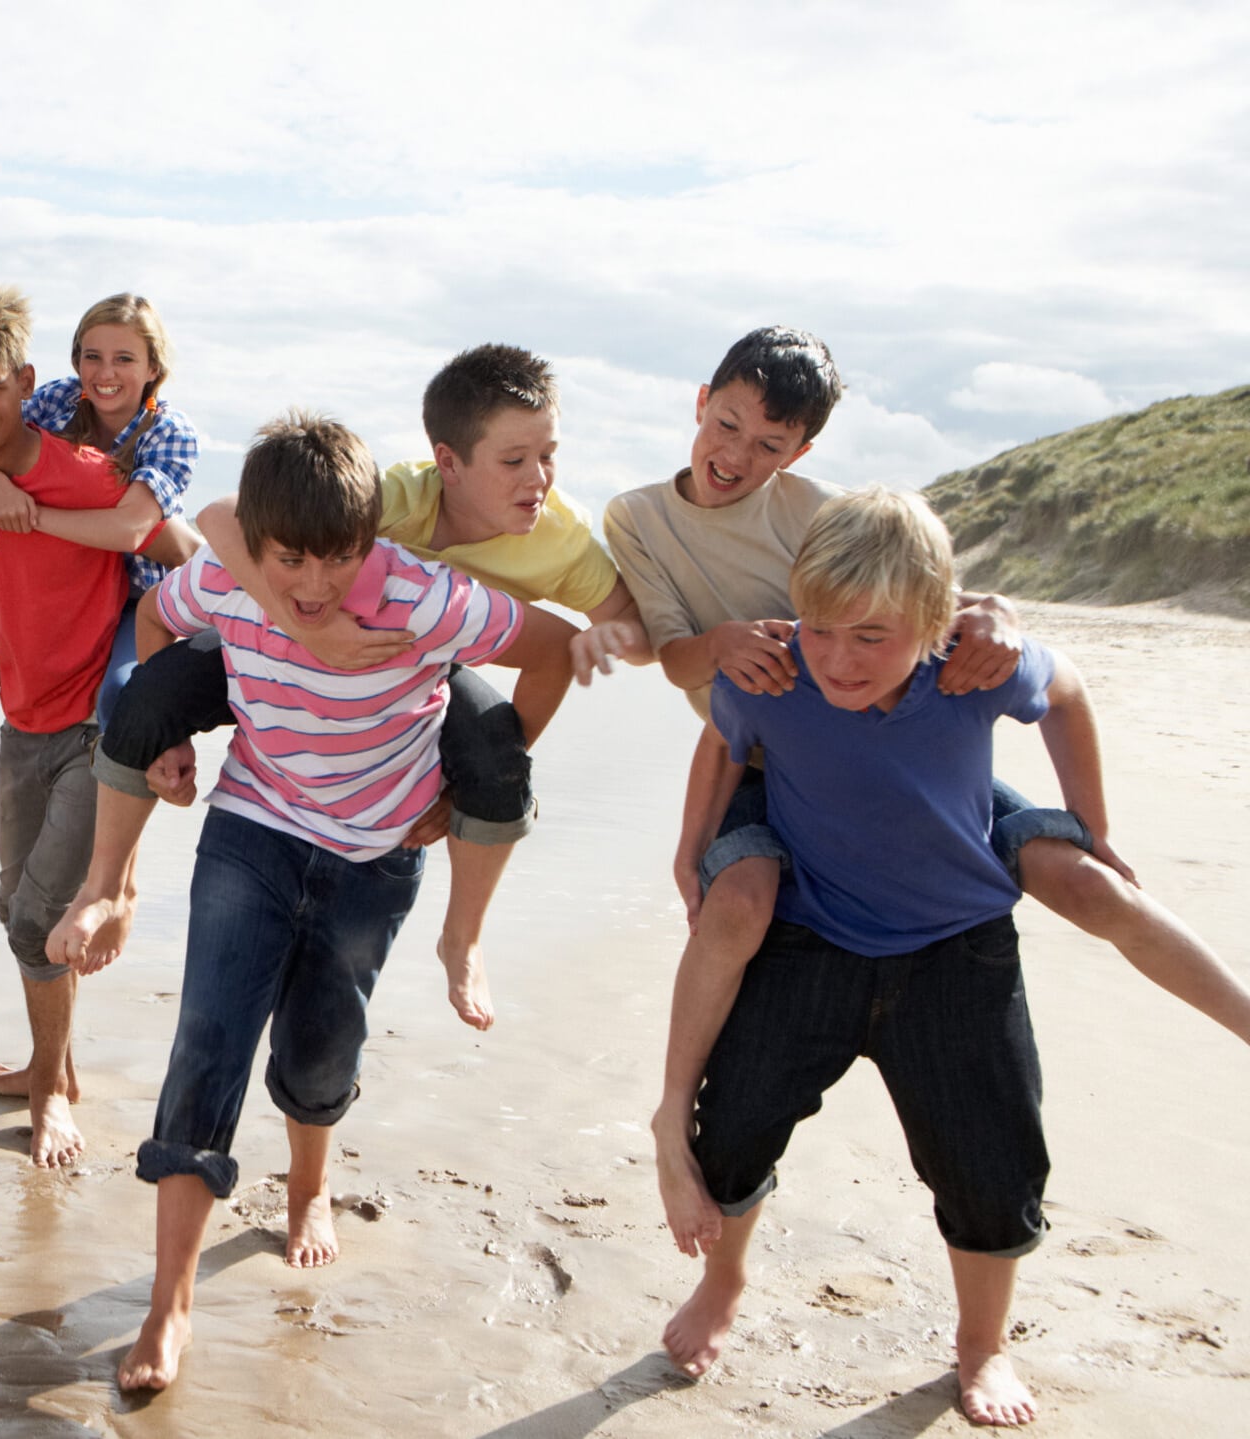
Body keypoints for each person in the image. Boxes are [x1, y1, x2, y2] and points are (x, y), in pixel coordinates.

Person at [602, 327, 1250, 1093]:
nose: (738, 455)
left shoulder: (826, 514)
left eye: (771, 444)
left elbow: (934, 604)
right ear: (702, 402)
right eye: (727, 425)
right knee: (736, 907)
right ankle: (682, 1108)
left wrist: (1001, 612)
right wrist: (722, 643)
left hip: (899, 747)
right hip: (767, 760)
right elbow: (674, 655)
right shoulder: (636, 518)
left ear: (800, 452)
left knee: (1088, 882)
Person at [652, 487, 1175, 1427]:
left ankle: (982, 1345)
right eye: (821, 628)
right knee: (729, 1129)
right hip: (812, 939)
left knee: (991, 1166)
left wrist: (1092, 824)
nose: (840, 658)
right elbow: (723, 739)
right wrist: (691, 849)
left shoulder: (968, 672)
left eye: (872, 636)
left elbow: (1064, 691)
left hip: (956, 951)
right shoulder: (776, 674)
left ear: (934, 624)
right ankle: (722, 1286)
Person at [86, 412, 556, 1392]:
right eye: (287, 558)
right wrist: (170, 738)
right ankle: (168, 1299)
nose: (308, 585)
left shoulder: (425, 597)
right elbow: (156, 622)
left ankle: (308, 1185)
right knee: (207, 1040)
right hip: (251, 831)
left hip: (375, 853)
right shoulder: (225, 577)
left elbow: (553, 648)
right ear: (253, 542)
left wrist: (464, 787)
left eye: (336, 559)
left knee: (318, 1046)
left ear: (372, 539)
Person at [50, 344, 641, 1027]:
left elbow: (624, 629)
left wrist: (634, 640)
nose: (537, 477)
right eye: (513, 460)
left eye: (549, 455)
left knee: (498, 757)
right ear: (449, 463)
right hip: (296, 629)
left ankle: (465, 937)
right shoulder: (392, 497)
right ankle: (107, 884)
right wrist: (307, 633)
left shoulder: (562, 539)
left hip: (420, 660)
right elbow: (222, 515)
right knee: (149, 691)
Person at [0, 276, 187, 1166]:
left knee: (40, 909)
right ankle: (53, 1064)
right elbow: (7, 583)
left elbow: (180, 556)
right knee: (15, 904)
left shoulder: (95, 476)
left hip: (94, 723)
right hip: (22, 717)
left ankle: (49, 1095)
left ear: (22, 381)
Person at [0, 293, 203, 903]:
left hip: (135, 593)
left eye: (125, 358)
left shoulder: (169, 434)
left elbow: (136, 533)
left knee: (121, 694)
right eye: (92, 356)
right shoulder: (63, 400)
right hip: (64, 583)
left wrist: (28, 516)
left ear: (154, 368)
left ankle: (118, 879)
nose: (105, 372)